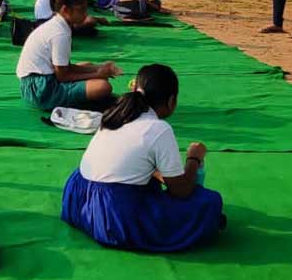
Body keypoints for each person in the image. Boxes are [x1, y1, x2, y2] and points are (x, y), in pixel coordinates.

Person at [60, 64, 223, 252]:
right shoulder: (159, 129)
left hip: (78, 200)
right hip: (115, 215)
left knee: (151, 185)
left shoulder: (116, 114)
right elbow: (182, 191)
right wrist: (194, 159)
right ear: (171, 101)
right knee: (210, 202)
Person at [16, 0, 121, 110]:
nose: (86, 14)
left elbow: (65, 68)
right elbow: (63, 76)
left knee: (88, 64)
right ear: (66, 10)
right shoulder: (60, 34)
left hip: (35, 83)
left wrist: (100, 67)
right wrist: (97, 74)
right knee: (103, 86)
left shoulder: (58, 24)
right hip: (42, 90)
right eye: (81, 10)